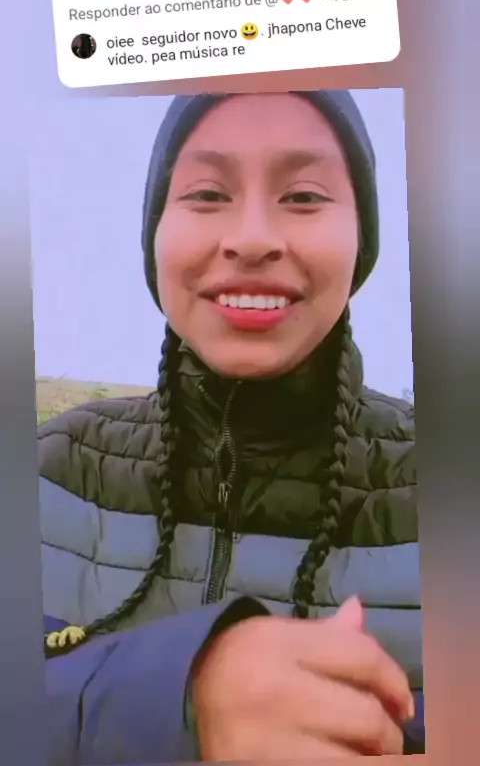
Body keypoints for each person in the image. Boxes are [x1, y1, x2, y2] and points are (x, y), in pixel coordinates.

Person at [40, 90, 423, 762]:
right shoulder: (49, 472)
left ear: (362, 238)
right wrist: (177, 702)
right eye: (208, 194)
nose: (251, 238)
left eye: (303, 196)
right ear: (155, 234)